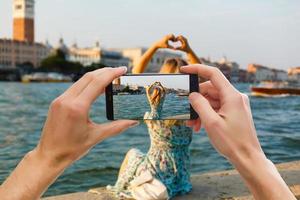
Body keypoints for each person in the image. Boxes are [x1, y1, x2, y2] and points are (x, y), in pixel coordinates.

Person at [0, 66, 295, 199]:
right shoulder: (182, 113)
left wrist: (45, 159)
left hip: (159, 167)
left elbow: (148, 87)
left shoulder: (151, 114)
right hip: (181, 174)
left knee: (131, 153)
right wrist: (251, 156)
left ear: (153, 95)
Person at [107, 35, 200, 199]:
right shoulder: (193, 108)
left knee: (133, 153)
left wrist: (156, 46)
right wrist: (189, 50)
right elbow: (203, 74)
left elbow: (136, 72)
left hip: (156, 175)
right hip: (181, 178)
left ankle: (118, 188)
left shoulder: (155, 110)